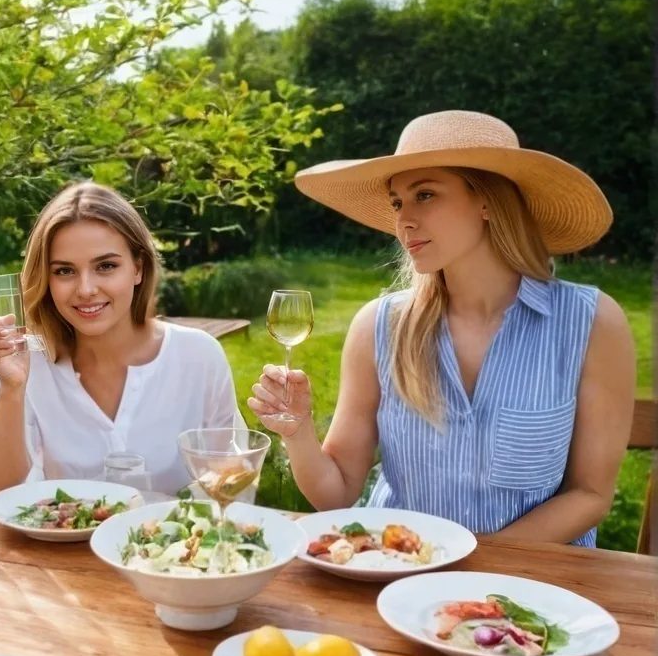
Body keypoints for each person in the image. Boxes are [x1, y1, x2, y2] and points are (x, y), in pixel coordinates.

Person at [248, 110, 635, 546]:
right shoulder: (379, 328)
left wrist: (469, 565)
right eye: (397, 202)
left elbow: (590, 494)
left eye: (425, 194)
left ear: (488, 200)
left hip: (531, 593)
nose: (403, 220)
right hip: (398, 576)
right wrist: (298, 432)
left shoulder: (592, 323)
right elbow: (336, 493)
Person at [0, 181, 240, 496]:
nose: (85, 289)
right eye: (64, 271)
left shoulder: (199, 357)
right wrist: (11, 389)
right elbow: (0, 488)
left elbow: (230, 484)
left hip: (173, 544)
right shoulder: (25, 362)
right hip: (58, 546)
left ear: (137, 268)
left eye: (106, 266)